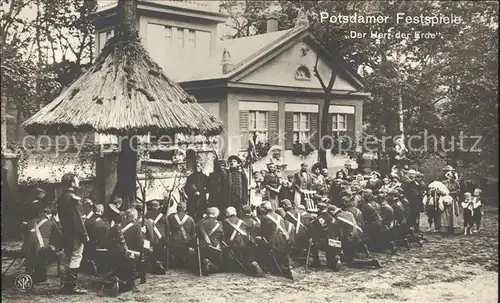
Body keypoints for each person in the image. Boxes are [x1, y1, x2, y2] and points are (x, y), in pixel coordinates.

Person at [57, 172, 89, 294]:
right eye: (76, 180)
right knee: (76, 256)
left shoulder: (61, 198)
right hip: (75, 233)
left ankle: (65, 285)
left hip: (66, 232)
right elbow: (77, 219)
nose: (78, 182)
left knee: (66, 257)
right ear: (71, 182)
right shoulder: (73, 198)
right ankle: (73, 286)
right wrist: (84, 234)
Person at [21, 207, 61, 284]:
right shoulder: (52, 222)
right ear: (48, 215)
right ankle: (40, 276)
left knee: (32, 255)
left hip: (27, 247)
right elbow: (59, 234)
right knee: (45, 252)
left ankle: (29, 273)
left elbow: (24, 233)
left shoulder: (31, 221)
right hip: (42, 248)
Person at [258, 202, 295, 279]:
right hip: (284, 241)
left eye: (262, 208)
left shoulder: (265, 218)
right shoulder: (279, 217)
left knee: (260, 242)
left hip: (274, 243)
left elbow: (263, 233)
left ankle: (265, 267)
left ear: (264, 209)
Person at [223, 206, 264, 276]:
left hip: (233, 244)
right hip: (243, 243)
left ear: (227, 214)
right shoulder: (242, 221)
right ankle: (252, 264)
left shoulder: (226, 221)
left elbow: (224, 235)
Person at [165, 202, 196, 269]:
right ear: (185, 208)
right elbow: (192, 232)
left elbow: (167, 229)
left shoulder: (170, 217)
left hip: (173, 240)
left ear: (176, 208)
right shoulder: (190, 219)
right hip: (185, 241)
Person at [83, 204, 110, 276]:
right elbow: (107, 236)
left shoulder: (86, 221)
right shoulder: (104, 223)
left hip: (87, 246)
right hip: (99, 246)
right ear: (101, 211)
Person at [197, 207, 224, 276]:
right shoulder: (219, 224)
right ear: (216, 214)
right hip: (215, 248)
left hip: (203, 247)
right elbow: (222, 236)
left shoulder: (201, 223)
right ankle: (210, 264)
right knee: (219, 266)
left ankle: (205, 261)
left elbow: (197, 234)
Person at [145, 200, 167, 274]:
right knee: (159, 252)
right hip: (159, 236)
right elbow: (167, 227)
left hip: (150, 236)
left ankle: (151, 267)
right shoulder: (163, 216)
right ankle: (159, 266)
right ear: (158, 206)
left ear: (151, 206)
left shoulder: (147, 215)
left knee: (150, 253)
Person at [441, 166, 461, 234]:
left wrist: (450, 193)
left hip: (453, 199)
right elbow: (442, 189)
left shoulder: (456, 183)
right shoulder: (444, 182)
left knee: (453, 213)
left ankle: (454, 227)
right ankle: (446, 227)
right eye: (448, 175)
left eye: (451, 175)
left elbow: (458, 191)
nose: (450, 177)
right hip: (446, 199)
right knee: (445, 213)